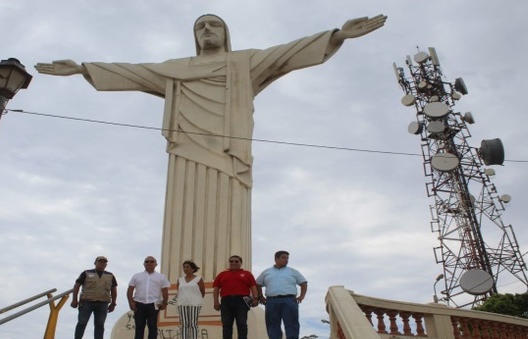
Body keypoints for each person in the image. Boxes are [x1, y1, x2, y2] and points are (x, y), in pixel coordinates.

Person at [34, 14, 387, 284]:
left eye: (213, 24)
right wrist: (83, 69)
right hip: (185, 149)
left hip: (229, 150)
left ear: (225, 33)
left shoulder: (244, 63)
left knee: (228, 214)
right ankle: (174, 295)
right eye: (200, 25)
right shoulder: (175, 70)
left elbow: (287, 55)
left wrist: (337, 35)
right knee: (182, 210)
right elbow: (135, 72)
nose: (206, 30)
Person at [256, 250, 308, 339]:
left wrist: (301, 296)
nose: (286, 260)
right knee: (272, 322)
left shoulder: (293, 271)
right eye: (283, 257)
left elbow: (303, 282)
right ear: (276, 259)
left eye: (287, 258)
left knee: (291, 321)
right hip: (271, 300)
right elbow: (258, 284)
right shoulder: (267, 272)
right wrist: (260, 296)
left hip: (289, 299)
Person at [71, 256, 118, 339]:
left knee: (100, 324)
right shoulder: (86, 273)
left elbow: (114, 290)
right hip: (87, 302)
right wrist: (74, 299)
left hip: (103, 303)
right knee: (82, 322)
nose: (102, 263)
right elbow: (77, 286)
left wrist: (113, 303)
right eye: (100, 261)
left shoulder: (110, 275)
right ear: (95, 263)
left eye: (104, 262)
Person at [212, 255, 259, 339]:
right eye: (231, 261)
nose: (234, 263)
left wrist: (255, 298)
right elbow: (216, 288)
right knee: (226, 323)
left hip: (242, 301)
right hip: (226, 300)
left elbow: (253, 287)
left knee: (242, 322)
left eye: (236, 261)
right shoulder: (222, 274)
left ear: (240, 263)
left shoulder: (247, 274)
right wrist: (215, 302)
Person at [127, 256, 171, 339]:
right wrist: (131, 302)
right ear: (144, 264)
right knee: (139, 324)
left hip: (154, 303)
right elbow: (130, 289)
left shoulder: (161, 277)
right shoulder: (136, 276)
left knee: (152, 324)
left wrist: (164, 303)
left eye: (152, 261)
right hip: (139, 303)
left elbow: (165, 291)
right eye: (147, 261)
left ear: (156, 264)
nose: (149, 263)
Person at [176, 260, 206, 339]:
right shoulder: (180, 280)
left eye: (187, 267)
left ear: (192, 269)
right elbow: (178, 291)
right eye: (184, 267)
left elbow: (202, 292)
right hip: (182, 304)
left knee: (193, 323)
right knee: (184, 323)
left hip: (194, 304)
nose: (185, 269)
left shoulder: (198, 279)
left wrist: (197, 299)